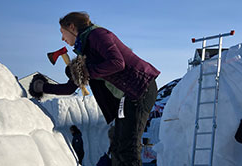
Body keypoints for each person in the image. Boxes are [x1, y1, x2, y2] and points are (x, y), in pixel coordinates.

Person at [29, 11, 159, 165]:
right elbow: (70, 88)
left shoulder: (97, 35)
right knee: (117, 146)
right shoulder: (85, 50)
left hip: (140, 88)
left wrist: (85, 70)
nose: (62, 38)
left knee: (128, 146)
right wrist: (41, 87)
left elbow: (117, 63)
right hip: (128, 96)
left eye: (62, 32)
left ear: (71, 26)